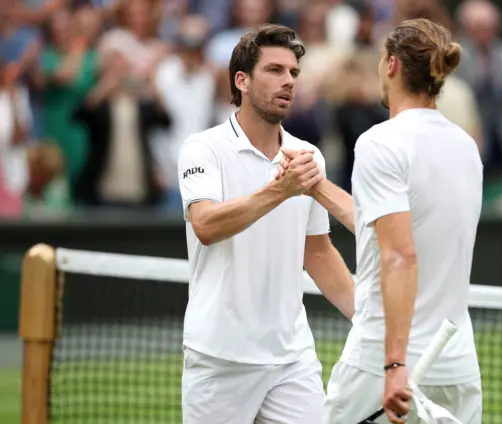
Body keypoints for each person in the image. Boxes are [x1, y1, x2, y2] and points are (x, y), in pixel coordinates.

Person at [279, 17, 484, 424]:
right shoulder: (465, 146)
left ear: (391, 65)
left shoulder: (380, 143)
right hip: (456, 362)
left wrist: (394, 366)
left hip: (382, 362)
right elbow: (392, 229)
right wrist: (316, 185)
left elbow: (399, 256)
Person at [177, 24, 355, 424]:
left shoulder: (307, 155)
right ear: (241, 81)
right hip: (219, 357)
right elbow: (205, 225)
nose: (288, 81)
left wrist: (369, 320)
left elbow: (317, 250)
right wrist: (281, 190)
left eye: (293, 72)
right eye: (275, 70)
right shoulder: (202, 148)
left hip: (292, 358)